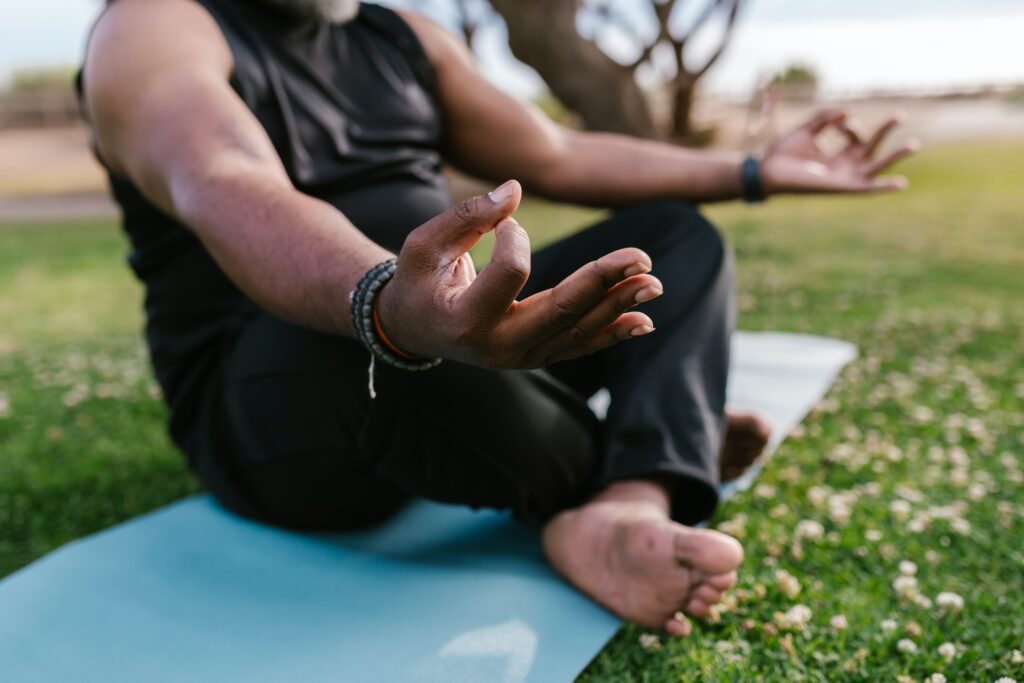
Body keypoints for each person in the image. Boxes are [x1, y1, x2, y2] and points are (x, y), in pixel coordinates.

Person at [79, 0, 915, 635]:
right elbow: (225, 176)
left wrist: (753, 170)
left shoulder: (400, 35)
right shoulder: (155, 25)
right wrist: (383, 299)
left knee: (672, 237)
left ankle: (628, 497)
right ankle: (649, 436)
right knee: (372, 339)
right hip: (273, 390)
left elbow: (556, 154)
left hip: (440, 332)